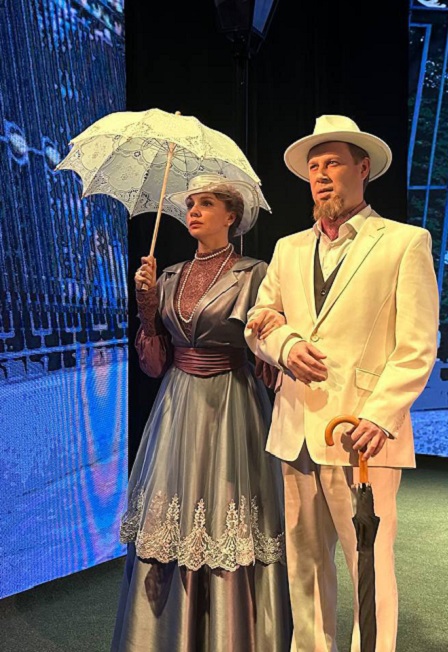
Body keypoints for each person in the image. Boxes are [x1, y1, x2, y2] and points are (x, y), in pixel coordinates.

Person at [245, 115, 439, 652]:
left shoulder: (404, 242)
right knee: (304, 567)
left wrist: (380, 415)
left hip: (362, 433)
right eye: (314, 168)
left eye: (333, 163)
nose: (322, 175)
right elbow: (258, 320)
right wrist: (284, 345)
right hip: (295, 430)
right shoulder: (288, 248)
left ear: (363, 168)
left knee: (368, 566)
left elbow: (417, 345)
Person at [111, 173, 293, 652]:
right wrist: (147, 308)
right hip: (177, 406)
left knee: (229, 512)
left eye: (206, 203)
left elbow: (266, 352)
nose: (192, 211)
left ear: (231, 216)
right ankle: (165, 635)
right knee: (173, 514)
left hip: (233, 403)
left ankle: (233, 634)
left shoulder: (254, 273)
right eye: (191, 203)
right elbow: (154, 365)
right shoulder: (168, 276)